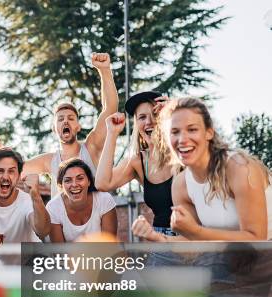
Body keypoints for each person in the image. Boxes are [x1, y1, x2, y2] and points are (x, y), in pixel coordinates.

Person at [132, 97, 272, 242]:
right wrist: (157, 237)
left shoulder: (240, 168)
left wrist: (196, 232)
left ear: (209, 132)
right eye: (175, 132)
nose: (182, 139)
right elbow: (193, 247)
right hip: (230, 259)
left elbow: (256, 240)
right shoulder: (181, 184)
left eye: (192, 129)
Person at [0, 53, 118, 197]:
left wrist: (104, 70)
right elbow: (16, 170)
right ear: (54, 128)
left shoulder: (91, 147)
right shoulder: (49, 161)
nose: (66, 121)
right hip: (61, 220)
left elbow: (110, 109)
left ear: (78, 126)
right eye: (60, 119)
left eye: (71, 118)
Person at [96, 92, 181, 237]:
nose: (149, 122)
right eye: (142, 117)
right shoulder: (138, 161)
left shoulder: (184, 151)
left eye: (155, 115)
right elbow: (103, 183)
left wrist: (177, 112)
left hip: (194, 239)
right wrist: (112, 133)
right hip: (161, 241)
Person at [46, 158, 117, 242]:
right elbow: (60, 252)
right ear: (61, 185)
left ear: (89, 181)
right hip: (69, 255)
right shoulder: (53, 208)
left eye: (80, 178)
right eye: (68, 180)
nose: (74, 184)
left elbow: (109, 244)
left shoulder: (104, 200)